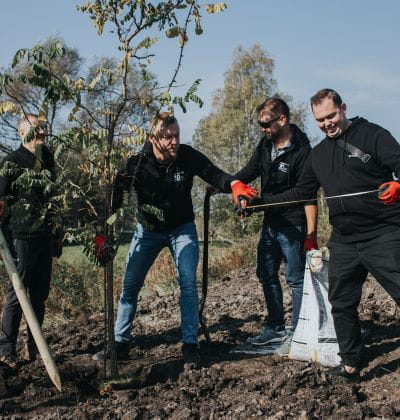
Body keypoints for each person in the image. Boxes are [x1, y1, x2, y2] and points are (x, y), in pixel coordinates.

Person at [244, 89, 400, 379]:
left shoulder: (374, 135)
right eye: (320, 120)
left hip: (383, 232)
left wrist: (397, 185)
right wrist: (257, 204)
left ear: (343, 108)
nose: (327, 123)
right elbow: (301, 192)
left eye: (331, 115)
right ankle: (351, 362)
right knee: (340, 302)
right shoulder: (318, 154)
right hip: (343, 239)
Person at [93, 112, 257, 364]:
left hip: (182, 229)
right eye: (166, 136)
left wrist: (234, 184)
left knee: (188, 283)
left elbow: (214, 174)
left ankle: (190, 343)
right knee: (130, 285)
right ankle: (120, 342)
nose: (173, 141)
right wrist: (102, 233)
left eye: (176, 135)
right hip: (147, 231)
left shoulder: (188, 156)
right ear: (152, 138)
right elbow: (114, 200)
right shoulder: (136, 164)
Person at [234, 98, 318, 355]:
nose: (262, 128)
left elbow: (304, 194)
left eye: (265, 123)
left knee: (295, 279)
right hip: (270, 224)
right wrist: (231, 184)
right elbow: (249, 171)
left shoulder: (303, 151)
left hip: (293, 225)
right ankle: (275, 326)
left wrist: (311, 234)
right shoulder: (265, 144)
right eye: (260, 124)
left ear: (282, 119)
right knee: (266, 274)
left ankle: (297, 331)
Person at [0, 113, 61, 367]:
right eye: (37, 130)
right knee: (18, 294)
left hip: (45, 236)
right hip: (20, 238)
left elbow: (54, 198)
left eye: (44, 129)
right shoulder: (11, 163)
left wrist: (58, 232)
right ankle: (5, 350)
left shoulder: (47, 159)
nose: (42, 134)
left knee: (39, 294)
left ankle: (34, 346)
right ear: (22, 133)